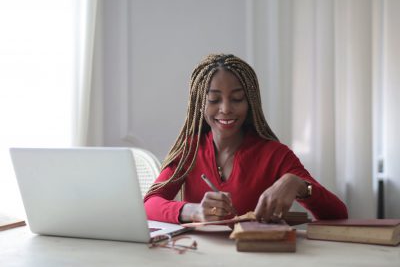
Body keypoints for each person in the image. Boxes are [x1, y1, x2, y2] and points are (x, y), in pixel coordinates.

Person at [144, 53, 348, 224]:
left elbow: (338, 214)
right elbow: (149, 204)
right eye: (214, 100)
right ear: (199, 103)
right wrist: (194, 211)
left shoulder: (275, 154)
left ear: (250, 103)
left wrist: (297, 184)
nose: (225, 109)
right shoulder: (189, 150)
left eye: (237, 99)